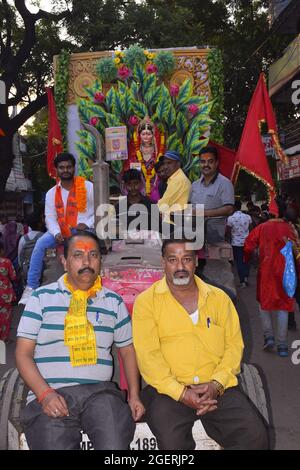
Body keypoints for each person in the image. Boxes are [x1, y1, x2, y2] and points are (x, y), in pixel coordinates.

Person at [132, 237, 268, 450]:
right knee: (171, 444)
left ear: (196, 261)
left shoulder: (219, 299)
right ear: (163, 263)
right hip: (169, 391)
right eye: (172, 260)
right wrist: (181, 393)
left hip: (215, 389)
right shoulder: (146, 302)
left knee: (255, 436)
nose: (180, 267)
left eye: (186, 259)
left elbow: (234, 347)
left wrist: (216, 385)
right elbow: (148, 357)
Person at [16, 231, 145, 450]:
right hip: (51, 391)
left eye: (93, 255)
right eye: (78, 255)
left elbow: (127, 350)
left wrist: (134, 395)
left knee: (115, 445)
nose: (86, 262)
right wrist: (45, 395)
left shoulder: (113, 302)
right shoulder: (41, 298)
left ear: (100, 261)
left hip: (101, 394)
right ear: (64, 262)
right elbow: (22, 354)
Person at [19, 152, 94, 305]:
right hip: (61, 230)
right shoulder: (51, 193)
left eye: (68, 167)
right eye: (62, 168)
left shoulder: (87, 187)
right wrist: (56, 233)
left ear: (74, 168)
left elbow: (99, 209)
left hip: (85, 229)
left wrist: (87, 223)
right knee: (40, 244)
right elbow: (50, 217)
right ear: (57, 170)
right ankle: (31, 287)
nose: (65, 170)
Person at [244, 208, 297, 357]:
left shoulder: (262, 227)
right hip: (286, 272)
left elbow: (248, 245)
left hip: (266, 271)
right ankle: (282, 345)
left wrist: (248, 259)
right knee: (283, 306)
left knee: (263, 305)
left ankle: (269, 337)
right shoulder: (289, 228)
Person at [189, 146, 234, 243]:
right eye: (202, 162)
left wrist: (203, 213)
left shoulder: (225, 183)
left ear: (216, 163)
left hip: (214, 234)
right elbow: (190, 207)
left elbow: (229, 209)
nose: (206, 165)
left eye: (210, 161)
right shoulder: (194, 185)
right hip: (193, 231)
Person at [125, 116, 165, 200]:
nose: (146, 137)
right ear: (139, 135)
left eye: (148, 134)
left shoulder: (157, 151)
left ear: (153, 135)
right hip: (138, 187)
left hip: (155, 185)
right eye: (143, 134)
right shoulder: (135, 151)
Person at [157, 150, 191, 218]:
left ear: (178, 164)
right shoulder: (174, 178)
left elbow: (162, 206)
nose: (165, 166)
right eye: (164, 163)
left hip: (178, 222)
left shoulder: (178, 180)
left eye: (169, 163)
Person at [227, 199, 252, 288]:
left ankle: (242, 282)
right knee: (246, 260)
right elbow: (250, 228)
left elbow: (228, 231)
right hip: (247, 242)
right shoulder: (248, 217)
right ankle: (246, 277)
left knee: (239, 261)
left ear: (233, 207)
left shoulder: (230, 218)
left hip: (236, 243)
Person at [18, 213, 45, 284]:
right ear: (40, 223)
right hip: (42, 271)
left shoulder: (23, 239)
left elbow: (19, 257)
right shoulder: (45, 238)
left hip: (27, 271)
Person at [0, 241, 17, 342]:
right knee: (6, 317)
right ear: (1, 250)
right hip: (5, 293)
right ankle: (4, 338)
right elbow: (13, 277)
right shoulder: (6, 262)